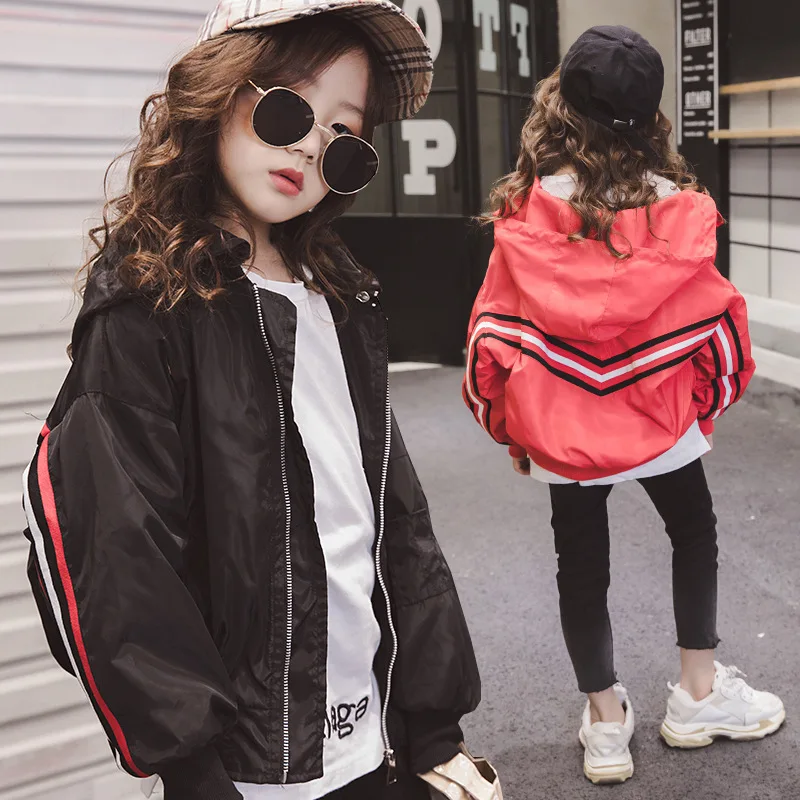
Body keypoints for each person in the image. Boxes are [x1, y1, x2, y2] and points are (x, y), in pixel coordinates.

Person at [21, 2, 482, 798]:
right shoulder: (148, 308)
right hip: (246, 770)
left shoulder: (337, 296)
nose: (310, 146)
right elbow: (115, 558)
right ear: (219, 89)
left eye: (345, 136)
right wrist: (193, 769)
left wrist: (433, 721)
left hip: (371, 737)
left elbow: (394, 519)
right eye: (289, 109)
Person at [464, 25, 785, 787]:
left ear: (561, 107)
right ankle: (698, 695)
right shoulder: (680, 209)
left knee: (580, 562)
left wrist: (517, 431)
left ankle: (605, 723)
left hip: (561, 429)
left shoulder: (527, 211)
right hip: (664, 417)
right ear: (651, 115)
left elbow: (489, 343)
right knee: (694, 533)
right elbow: (722, 337)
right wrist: (699, 409)